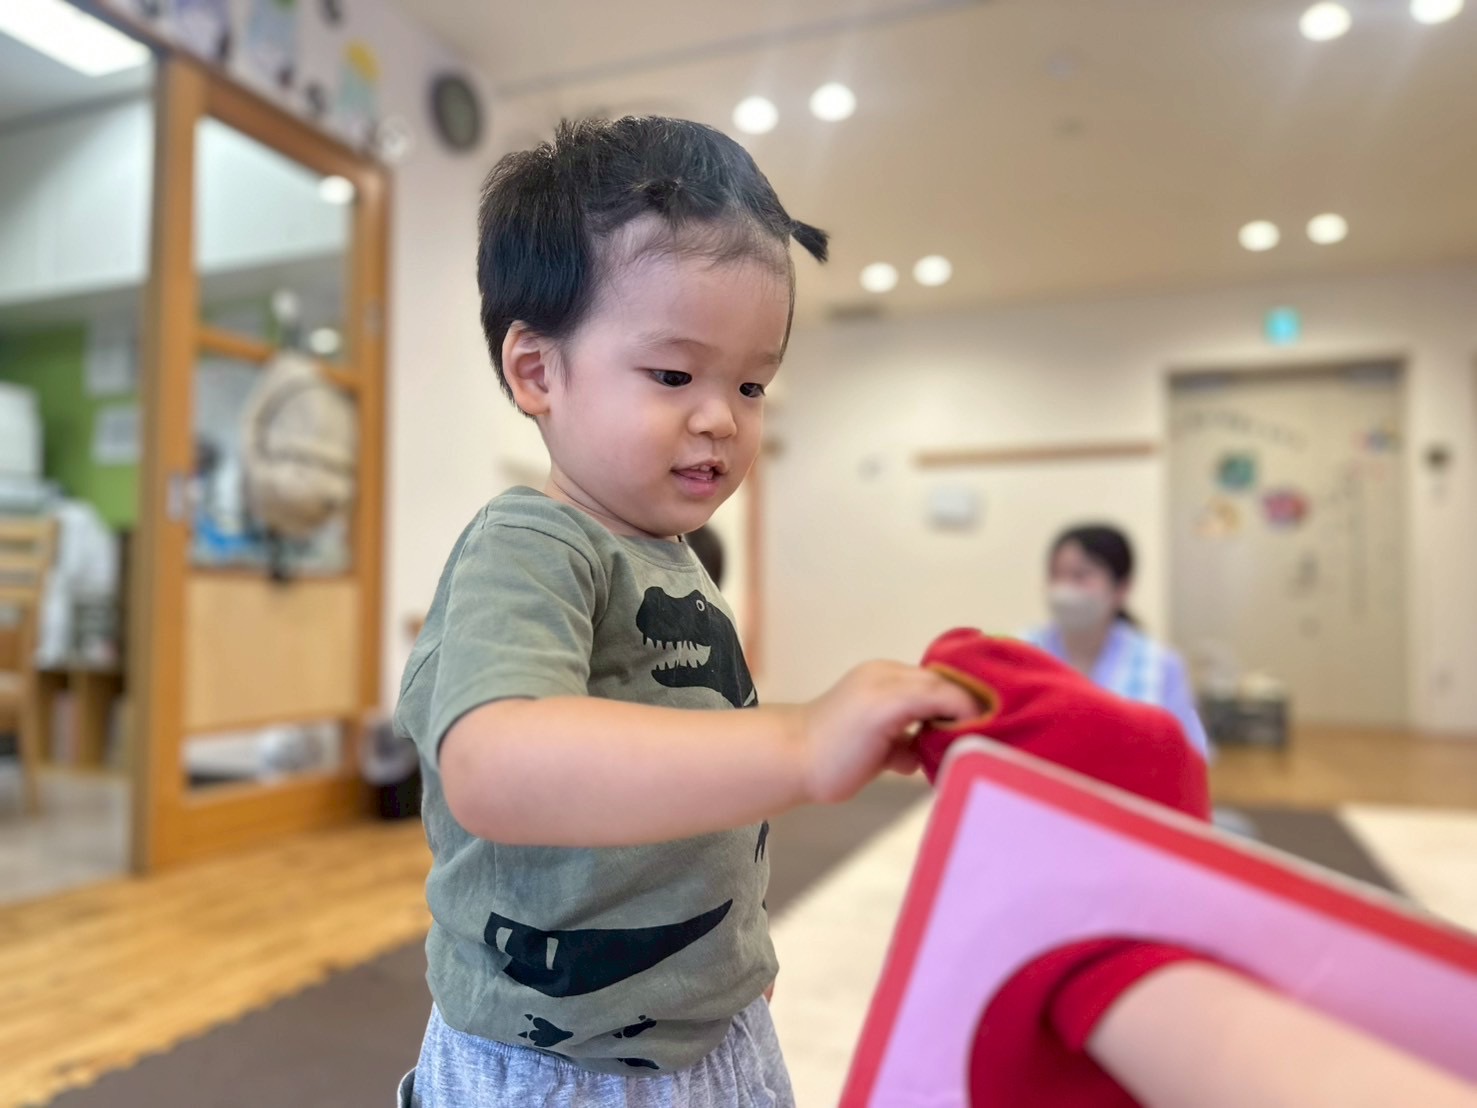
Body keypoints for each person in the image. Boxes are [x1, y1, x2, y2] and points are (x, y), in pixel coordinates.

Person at [391, 117, 977, 1108]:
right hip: (556, 1064)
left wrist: (727, 950)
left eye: (751, 383)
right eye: (673, 375)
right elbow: (492, 763)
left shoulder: (670, 557)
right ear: (536, 371)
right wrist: (797, 742)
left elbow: (683, 800)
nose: (721, 417)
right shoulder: (531, 543)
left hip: (705, 1029)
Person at [1026, 524, 1210, 758]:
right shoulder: (1021, 652)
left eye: (1080, 575)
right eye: (1056, 575)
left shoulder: (1161, 665)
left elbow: (1193, 754)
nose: (1063, 588)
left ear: (1122, 587)